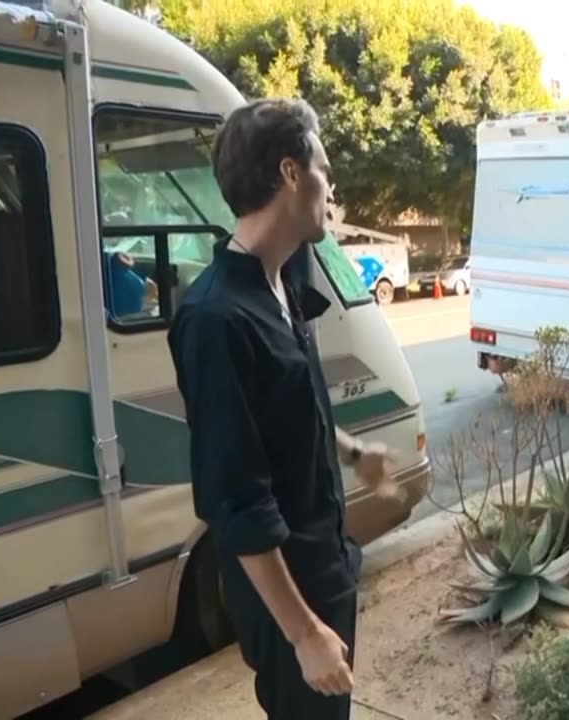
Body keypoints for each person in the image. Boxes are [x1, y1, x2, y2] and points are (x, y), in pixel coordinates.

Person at [168, 98, 393, 719]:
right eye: (324, 164)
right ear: (291, 174)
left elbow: (287, 413)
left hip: (327, 563)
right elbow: (235, 499)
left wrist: (349, 450)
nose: (332, 182)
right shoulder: (215, 319)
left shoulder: (286, 279)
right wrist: (302, 634)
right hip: (287, 598)